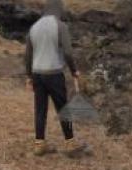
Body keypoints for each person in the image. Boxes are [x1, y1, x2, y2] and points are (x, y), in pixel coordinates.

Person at [24, 0, 85, 157]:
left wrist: (29, 76)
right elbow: (68, 53)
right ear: (59, 10)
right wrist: (74, 70)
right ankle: (70, 143)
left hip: (38, 74)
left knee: (40, 109)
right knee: (63, 109)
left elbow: (28, 55)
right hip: (54, 74)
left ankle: (39, 144)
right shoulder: (60, 26)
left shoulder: (34, 27)